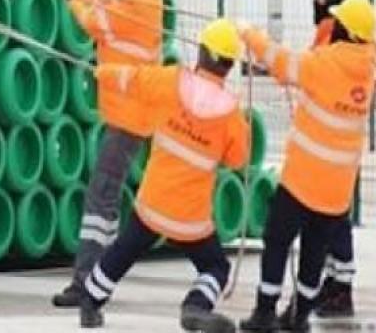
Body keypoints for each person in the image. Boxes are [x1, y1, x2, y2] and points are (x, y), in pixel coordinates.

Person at [78, 19, 251, 333]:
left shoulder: (171, 81)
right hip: (190, 218)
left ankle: (90, 301)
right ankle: (196, 306)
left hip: (153, 204)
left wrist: (101, 71)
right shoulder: (231, 113)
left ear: (203, 52)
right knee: (216, 266)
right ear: (229, 65)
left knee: (123, 252)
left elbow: (133, 78)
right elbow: (238, 159)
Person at [238, 0, 376, 333]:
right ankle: (299, 315)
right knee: (314, 252)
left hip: (303, 179)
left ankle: (265, 311)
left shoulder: (325, 64)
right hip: (338, 189)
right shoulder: (369, 73)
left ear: (346, 30)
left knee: (277, 239)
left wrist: (249, 35)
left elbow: (281, 61)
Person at [52, 0, 170, 308]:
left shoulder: (140, 5)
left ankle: (86, 281)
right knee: (108, 194)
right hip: (128, 114)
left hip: (128, 117)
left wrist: (73, 0)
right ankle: (99, 276)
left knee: (101, 196)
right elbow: (107, 4)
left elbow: (96, 21)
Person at [308, 0, 360, 318]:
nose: (316, 1)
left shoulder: (336, 36)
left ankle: (342, 289)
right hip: (334, 145)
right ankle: (333, 281)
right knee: (328, 216)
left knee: (335, 217)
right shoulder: (344, 33)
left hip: (332, 147)